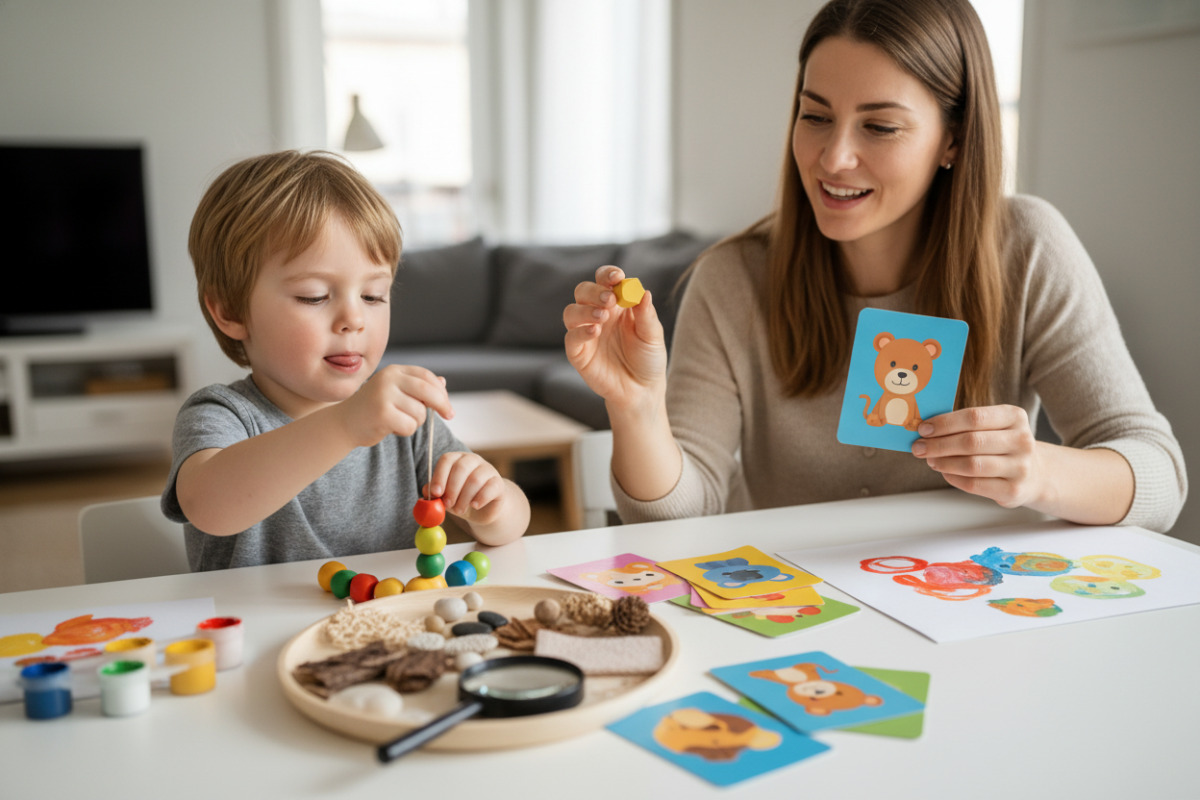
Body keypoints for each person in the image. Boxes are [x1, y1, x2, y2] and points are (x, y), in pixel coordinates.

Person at [563, 0, 1186, 533]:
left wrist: (1040, 471)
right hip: (787, 616)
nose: (833, 158)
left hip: (968, 608)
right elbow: (679, 519)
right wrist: (636, 407)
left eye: (880, 127)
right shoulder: (732, 278)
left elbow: (1159, 476)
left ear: (954, 138)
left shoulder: (1027, 248)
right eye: (815, 116)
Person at [163, 150, 529, 571]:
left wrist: (494, 505)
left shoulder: (404, 423)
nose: (354, 319)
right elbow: (210, 506)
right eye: (314, 296)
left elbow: (514, 523)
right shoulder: (221, 415)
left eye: (373, 296)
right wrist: (345, 424)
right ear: (230, 311)